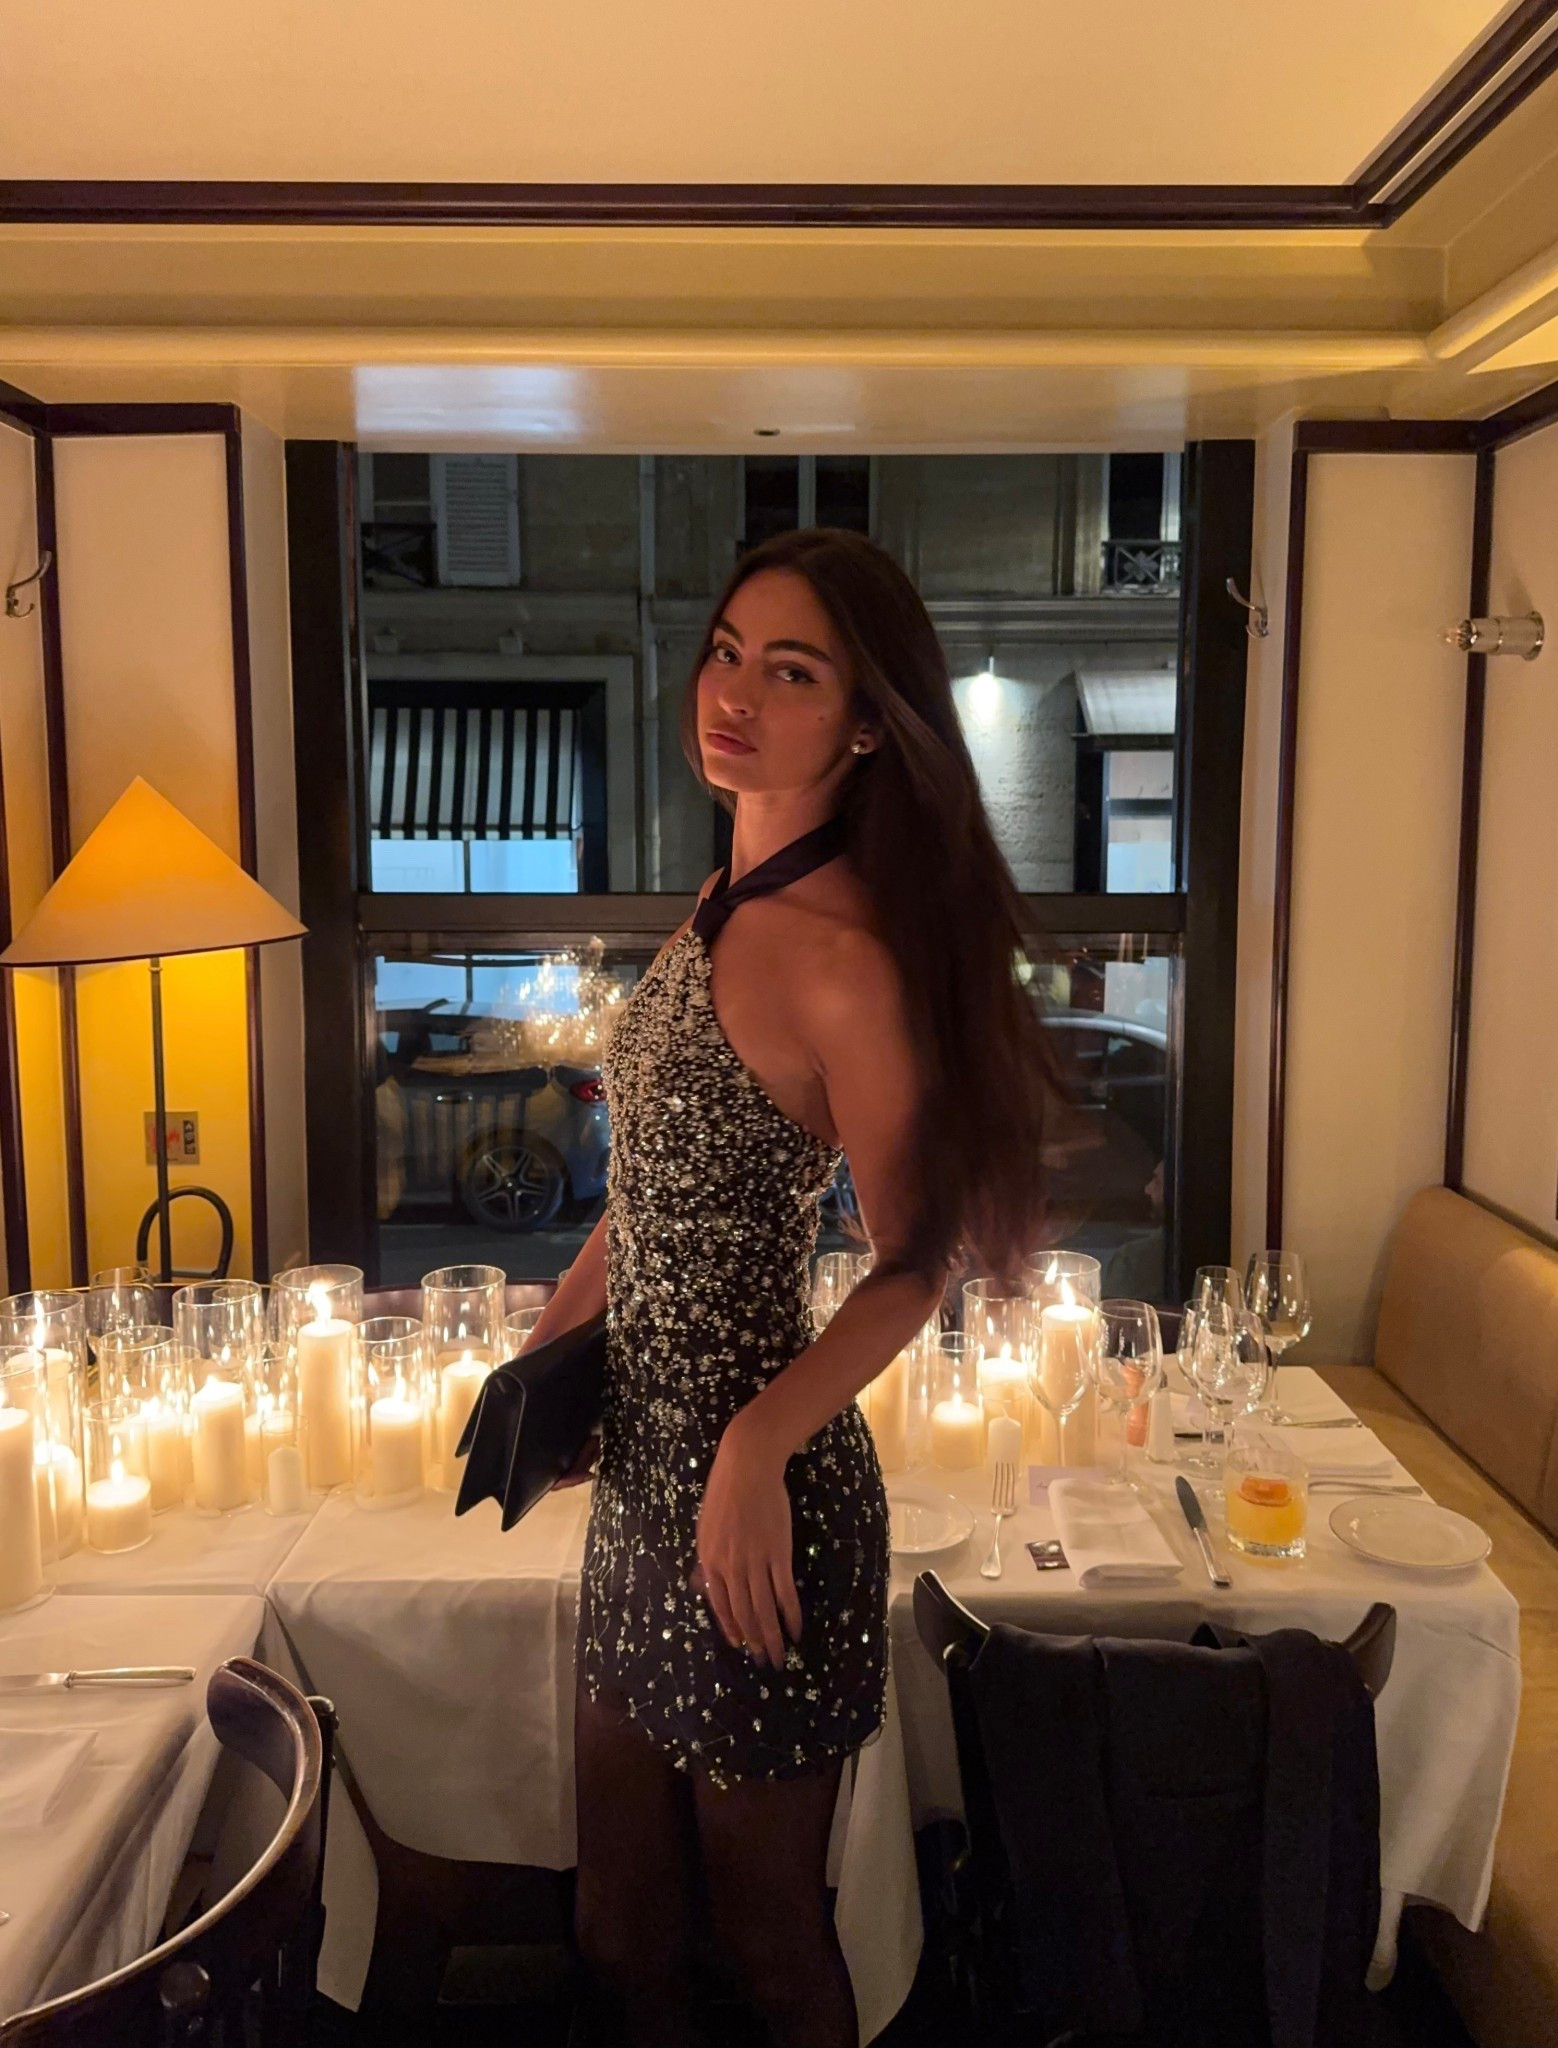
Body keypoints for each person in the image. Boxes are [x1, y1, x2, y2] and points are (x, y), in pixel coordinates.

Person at [522, 528, 1058, 2047]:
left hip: (765, 1495)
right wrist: (548, 1351)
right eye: (726, 652)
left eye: (794, 671)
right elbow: (648, 1196)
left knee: (765, 1933)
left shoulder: (841, 960)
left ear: (871, 721)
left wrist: (755, 1445)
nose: (735, 694)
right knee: (618, 1926)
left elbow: (914, 1263)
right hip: (645, 1477)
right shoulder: (720, 900)